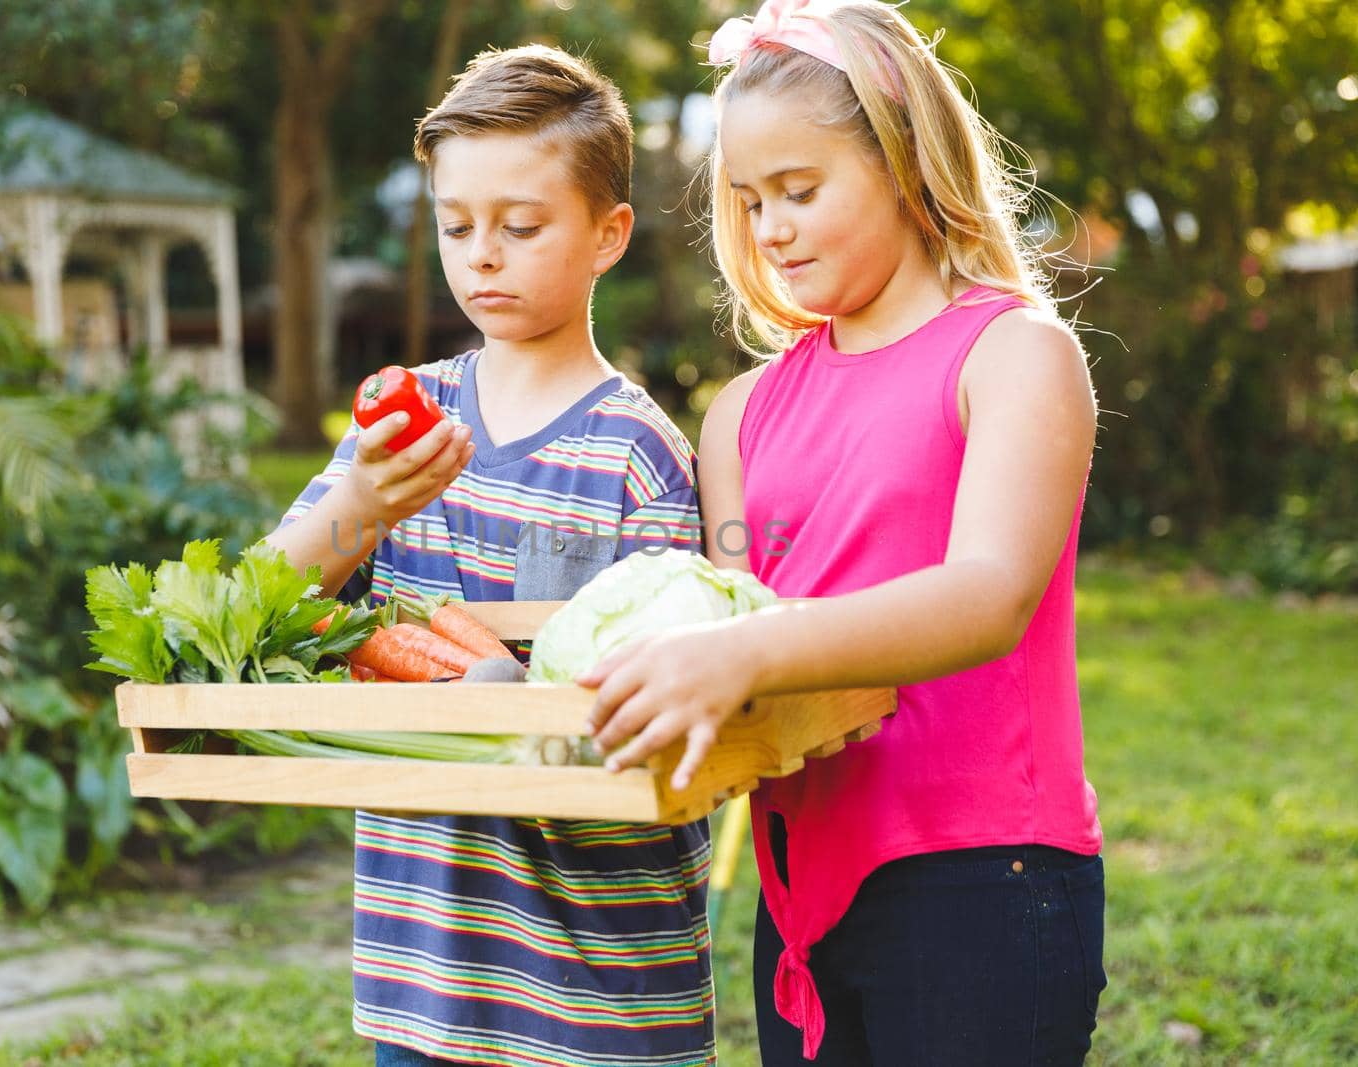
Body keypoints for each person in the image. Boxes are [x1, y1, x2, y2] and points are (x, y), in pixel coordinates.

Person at [580, 2, 1106, 1063]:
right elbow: (729, 620)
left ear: (906, 163)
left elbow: (986, 593)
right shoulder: (738, 413)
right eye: (748, 200)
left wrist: (736, 650)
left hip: (983, 875)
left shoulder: (1012, 355)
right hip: (800, 885)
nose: (770, 227)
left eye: (800, 191)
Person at [265, 44, 713, 1067]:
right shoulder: (395, 424)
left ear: (608, 236)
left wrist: (522, 696)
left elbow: (659, 732)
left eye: (519, 226)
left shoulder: (636, 456)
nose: (482, 256)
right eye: (455, 226)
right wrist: (362, 504)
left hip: (601, 992)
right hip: (425, 981)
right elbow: (259, 605)